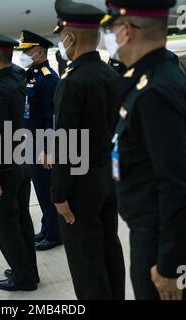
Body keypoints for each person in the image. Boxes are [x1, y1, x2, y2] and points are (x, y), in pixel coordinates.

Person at [102, 0, 186, 300]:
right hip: (157, 235)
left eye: (110, 28)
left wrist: (169, 265)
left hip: (164, 244)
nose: (107, 35)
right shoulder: (152, 76)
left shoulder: (154, 93)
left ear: (126, 31)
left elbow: (176, 185)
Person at [50, 0, 125, 300]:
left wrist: (59, 194)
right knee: (109, 248)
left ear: (69, 38)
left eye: (62, 35)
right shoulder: (111, 75)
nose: (61, 41)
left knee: (86, 261)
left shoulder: (72, 82)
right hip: (108, 175)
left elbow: (67, 144)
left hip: (80, 184)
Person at [0, 26, 39, 291]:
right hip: (21, 162)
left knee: (7, 226)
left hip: (3, 168)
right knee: (22, 220)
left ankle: (22, 277)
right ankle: (29, 270)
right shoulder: (15, 81)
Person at [18, 30, 62, 251]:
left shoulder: (49, 79)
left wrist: (48, 149)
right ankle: (47, 226)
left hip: (43, 144)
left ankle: (55, 233)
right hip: (32, 141)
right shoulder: (32, 75)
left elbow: (51, 118)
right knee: (40, 189)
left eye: (27, 51)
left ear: (40, 51)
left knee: (46, 189)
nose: (23, 55)